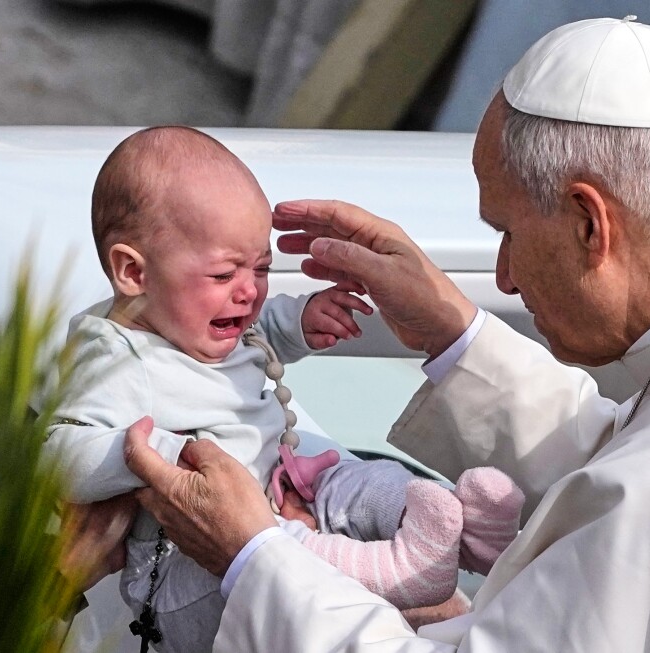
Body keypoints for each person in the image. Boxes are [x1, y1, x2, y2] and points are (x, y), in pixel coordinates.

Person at [122, 17, 650, 653]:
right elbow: (639, 449)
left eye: (507, 231)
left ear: (589, 222)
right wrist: (453, 332)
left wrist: (254, 556)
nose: (502, 276)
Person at [44, 127, 524, 652]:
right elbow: (57, 451)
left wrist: (301, 320)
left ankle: (464, 531)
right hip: (188, 569)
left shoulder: (191, 321)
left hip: (280, 487)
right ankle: (399, 570)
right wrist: (150, 453)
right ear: (133, 272)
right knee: (282, 550)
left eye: (262, 268)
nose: (249, 291)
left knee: (358, 480)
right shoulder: (116, 357)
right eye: (224, 274)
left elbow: (259, 332)